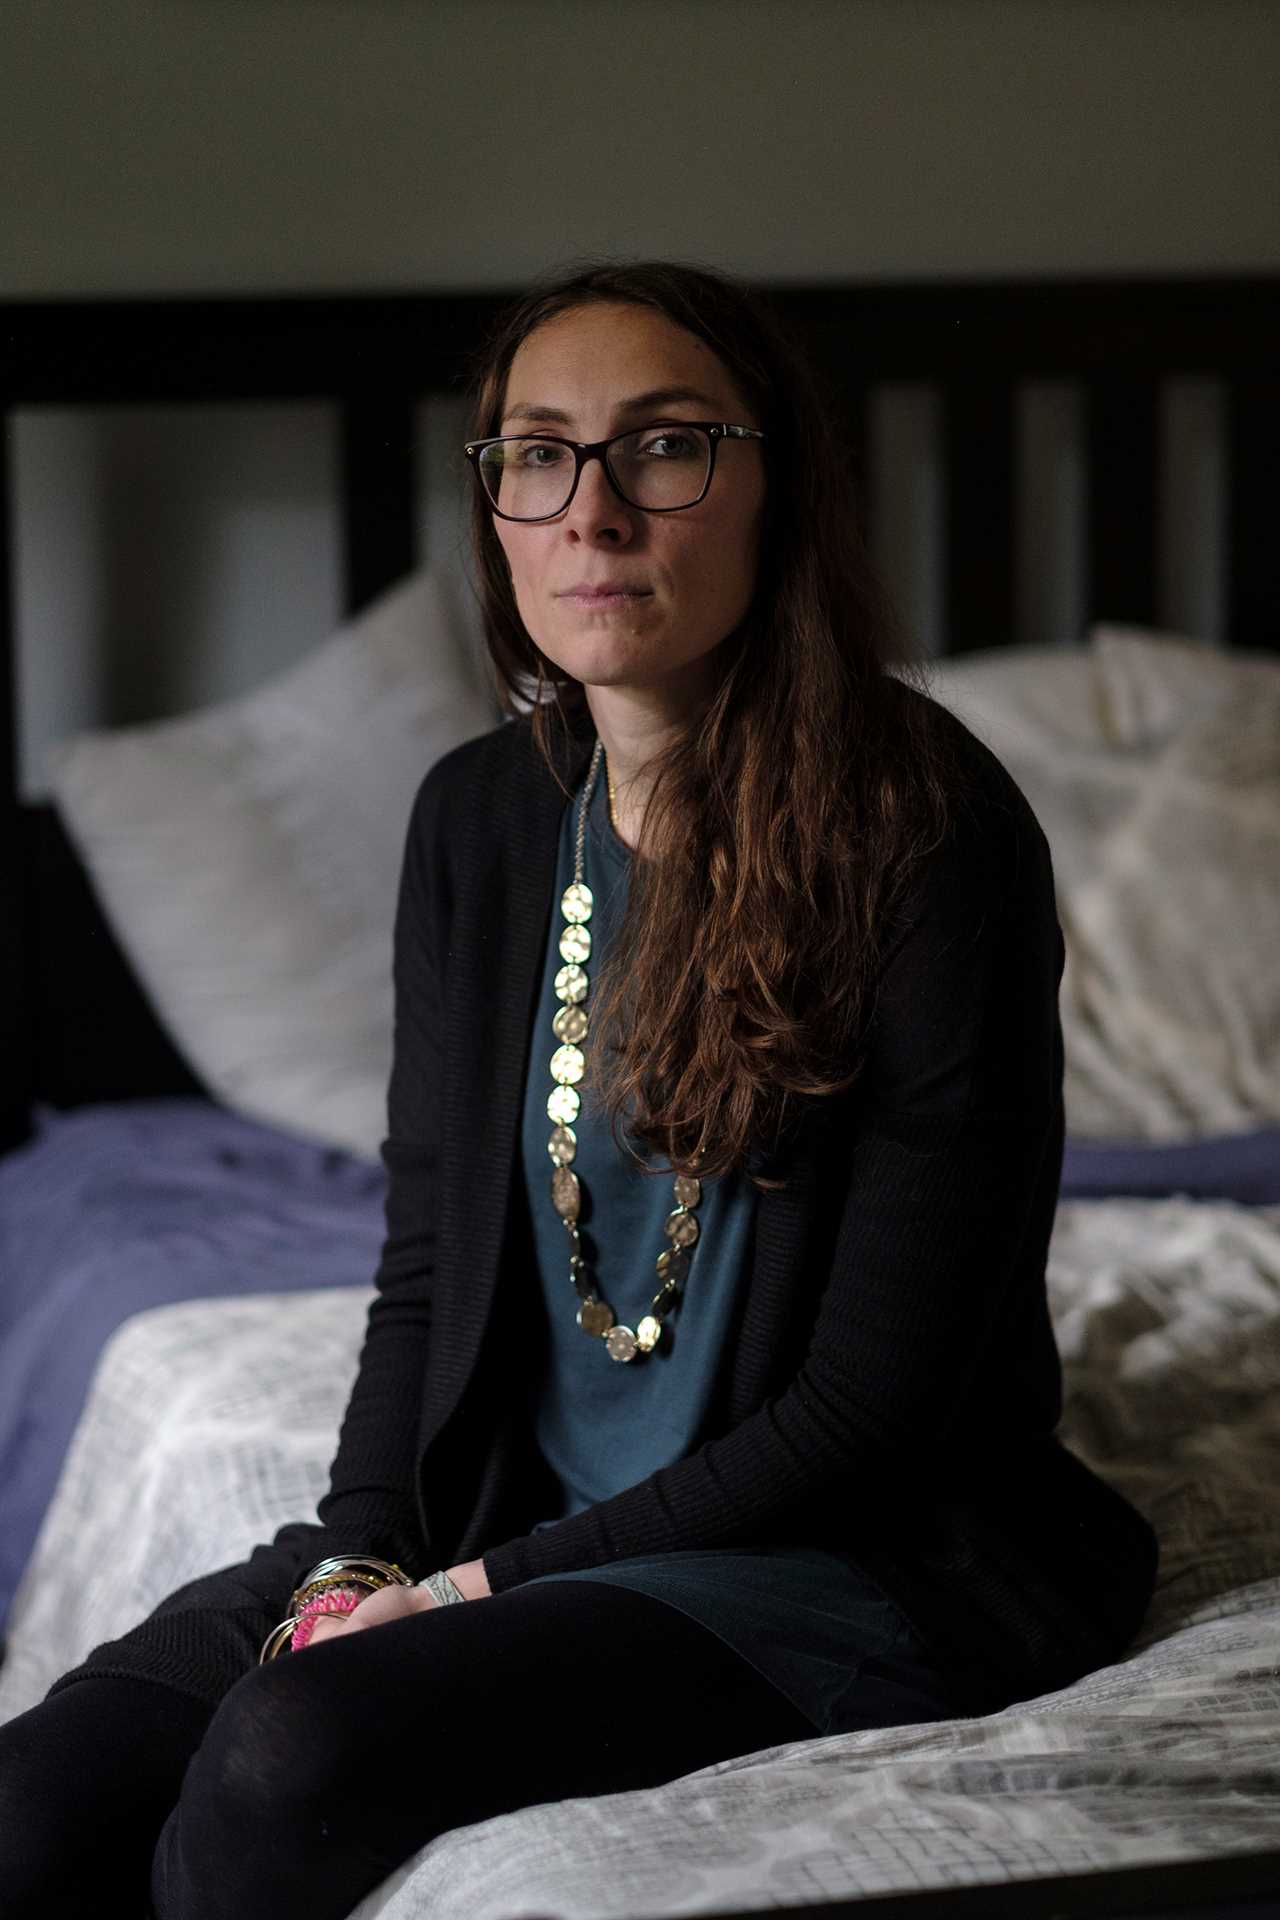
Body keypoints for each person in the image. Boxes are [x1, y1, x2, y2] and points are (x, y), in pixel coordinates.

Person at [0, 258, 1158, 1920]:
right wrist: (364, 1556)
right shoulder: (478, 821)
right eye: (539, 455)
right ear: (495, 509)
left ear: (782, 490)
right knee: (36, 1801)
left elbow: (874, 1413)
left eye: (668, 446)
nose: (593, 512)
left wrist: (473, 1594)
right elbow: (427, 1270)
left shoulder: (927, 833)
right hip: (512, 1504)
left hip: (846, 1547)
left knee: (289, 1758)